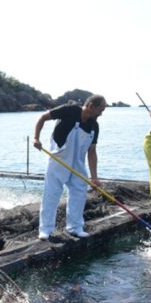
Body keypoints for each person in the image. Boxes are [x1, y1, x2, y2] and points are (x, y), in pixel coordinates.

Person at [33, 94, 106, 240]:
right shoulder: (69, 110)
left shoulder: (94, 126)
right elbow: (42, 118)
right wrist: (36, 137)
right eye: (101, 110)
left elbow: (92, 152)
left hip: (78, 163)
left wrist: (94, 177)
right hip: (59, 159)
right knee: (52, 194)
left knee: (80, 191)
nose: (101, 114)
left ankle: (75, 227)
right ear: (91, 106)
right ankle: (46, 229)